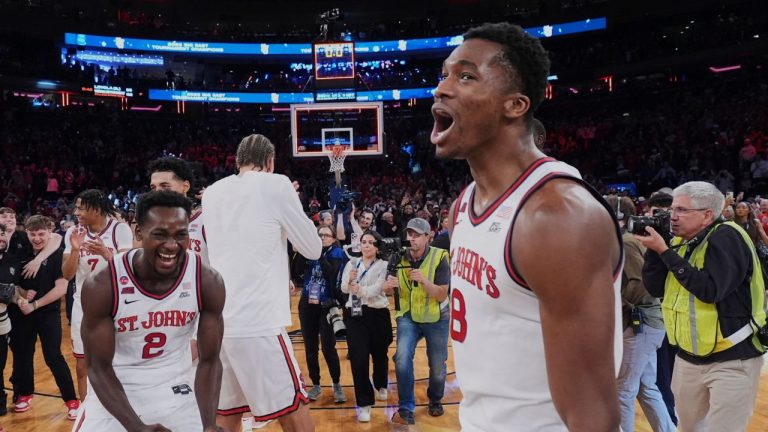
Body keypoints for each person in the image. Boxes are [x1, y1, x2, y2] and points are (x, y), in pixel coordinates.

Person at [433, 22, 623, 431]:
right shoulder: (463, 205)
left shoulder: (557, 216)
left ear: (515, 105)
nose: (443, 88)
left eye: (466, 76)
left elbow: (592, 413)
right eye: (444, 74)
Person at [75, 190, 226, 432]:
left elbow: (210, 360)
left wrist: (208, 424)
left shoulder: (206, 280)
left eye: (180, 235)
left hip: (176, 386)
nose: (171, 245)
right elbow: (98, 368)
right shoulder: (103, 284)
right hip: (114, 389)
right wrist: (137, 428)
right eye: (160, 234)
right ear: (138, 233)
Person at [203, 134, 321, 432]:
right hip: (258, 323)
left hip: (218, 323)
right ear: (270, 162)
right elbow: (313, 248)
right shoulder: (277, 183)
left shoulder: (212, 192)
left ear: (238, 160)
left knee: (227, 416)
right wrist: (291, 202)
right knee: (294, 410)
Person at [637, 181, 766, 432]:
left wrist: (664, 251)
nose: (672, 216)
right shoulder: (684, 242)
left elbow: (710, 290)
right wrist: (656, 251)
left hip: (733, 358)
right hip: (688, 358)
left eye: (682, 210)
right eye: (672, 209)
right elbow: (655, 289)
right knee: (688, 429)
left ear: (707, 214)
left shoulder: (728, 236)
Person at [604, 196, 674, 432]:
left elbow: (640, 284)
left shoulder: (626, 242)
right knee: (646, 387)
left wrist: (617, 299)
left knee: (623, 390)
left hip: (641, 323)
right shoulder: (625, 240)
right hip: (649, 322)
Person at [61, 189, 133, 401]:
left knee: (119, 362)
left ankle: (123, 407)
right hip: (83, 305)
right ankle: (85, 410)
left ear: (97, 209)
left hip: (116, 305)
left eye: (81, 208)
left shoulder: (120, 230)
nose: (76, 212)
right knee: (82, 363)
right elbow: (67, 275)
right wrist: (75, 250)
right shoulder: (73, 232)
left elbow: (129, 271)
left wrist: (107, 254)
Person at [8, 216, 79, 420]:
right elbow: (11, 281)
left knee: (53, 356)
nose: (37, 238)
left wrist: (35, 304)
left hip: (47, 312)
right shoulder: (21, 251)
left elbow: (61, 288)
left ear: (49, 233)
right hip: (22, 312)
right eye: (33, 234)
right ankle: (25, 393)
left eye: (41, 234)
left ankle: (71, 400)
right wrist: (21, 295)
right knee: (22, 355)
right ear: (27, 233)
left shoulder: (58, 254)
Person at [383, 218, 450, 425]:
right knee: (402, 359)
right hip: (408, 316)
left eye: (416, 235)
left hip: (435, 317)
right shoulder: (398, 257)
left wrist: (423, 281)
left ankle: (435, 399)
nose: (411, 239)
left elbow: (441, 295)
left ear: (428, 237)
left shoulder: (440, 257)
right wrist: (388, 286)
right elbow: (386, 288)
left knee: (437, 367)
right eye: (409, 235)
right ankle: (406, 409)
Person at [339, 230, 391, 422]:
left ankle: (381, 384)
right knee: (359, 360)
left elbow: (378, 289)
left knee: (379, 355)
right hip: (355, 315)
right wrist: (351, 279)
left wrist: (359, 289)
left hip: (378, 314)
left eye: (370, 242)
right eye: (363, 242)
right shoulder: (352, 263)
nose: (366, 245)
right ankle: (364, 403)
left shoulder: (384, 265)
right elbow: (344, 288)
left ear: (377, 247)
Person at [294, 225, 347, 404]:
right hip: (307, 303)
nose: (322, 237)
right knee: (310, 348)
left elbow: (331, 273)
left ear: (333, 238)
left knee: (328, 347)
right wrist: (303, 251)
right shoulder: (310, 252)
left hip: (327, 305)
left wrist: (317, 254)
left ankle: (337, 383)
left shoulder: (337, 253)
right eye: (319, 235)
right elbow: (297, 272)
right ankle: (315, 384)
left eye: (326, 235)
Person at [147, 157, 209, 265]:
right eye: (153, 187)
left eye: (165, 186)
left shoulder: (205, 220)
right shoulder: (152, 226)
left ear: (185, 187)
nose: (157, 192)